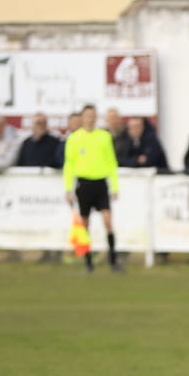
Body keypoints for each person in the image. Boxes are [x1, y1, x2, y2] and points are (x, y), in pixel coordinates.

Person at [62, 107, 123, 273]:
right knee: (85, 224)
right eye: (87, 116)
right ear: (82, 118)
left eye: (92, 116)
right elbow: (69, 165)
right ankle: (88, 263)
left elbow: (111, 163)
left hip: (100, 183)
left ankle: (113, 261)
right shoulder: (74, 138)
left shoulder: (104, 136)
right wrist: (68, 189)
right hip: (84, 184)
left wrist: (115, 186)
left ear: (96, 118)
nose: (90, 119)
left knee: (108, 221)